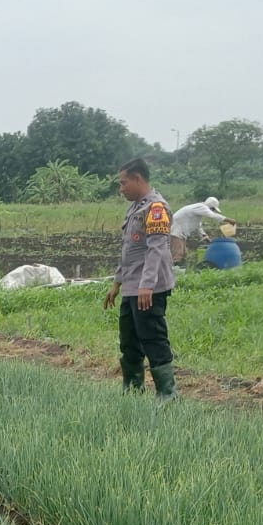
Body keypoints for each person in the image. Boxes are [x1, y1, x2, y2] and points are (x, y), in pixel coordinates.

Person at [104, 157, 178, 399]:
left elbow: (157, 249)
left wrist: (147, 285)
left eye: (124, 183)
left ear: (138, 179)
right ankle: (133, 390)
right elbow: (129, 251)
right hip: (132, 286)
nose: (121, 188)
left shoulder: (156, 208)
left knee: (153, 338)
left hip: (149, 289)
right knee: (129, 340)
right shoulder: (136, 207)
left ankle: (167, 395)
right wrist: (117, 283)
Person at [170, 196, 227, 263]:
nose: (213, 211)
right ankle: (174, 271)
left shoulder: (198, 211)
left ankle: (181, 271)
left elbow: (198, 226)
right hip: (176, 232)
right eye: (213, 209)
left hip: (180, 233)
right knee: (177, 255)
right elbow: (212, 215)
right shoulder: (201, 207)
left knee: (184, 254)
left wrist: (204, 236)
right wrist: (229, 220)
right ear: (210, 207)